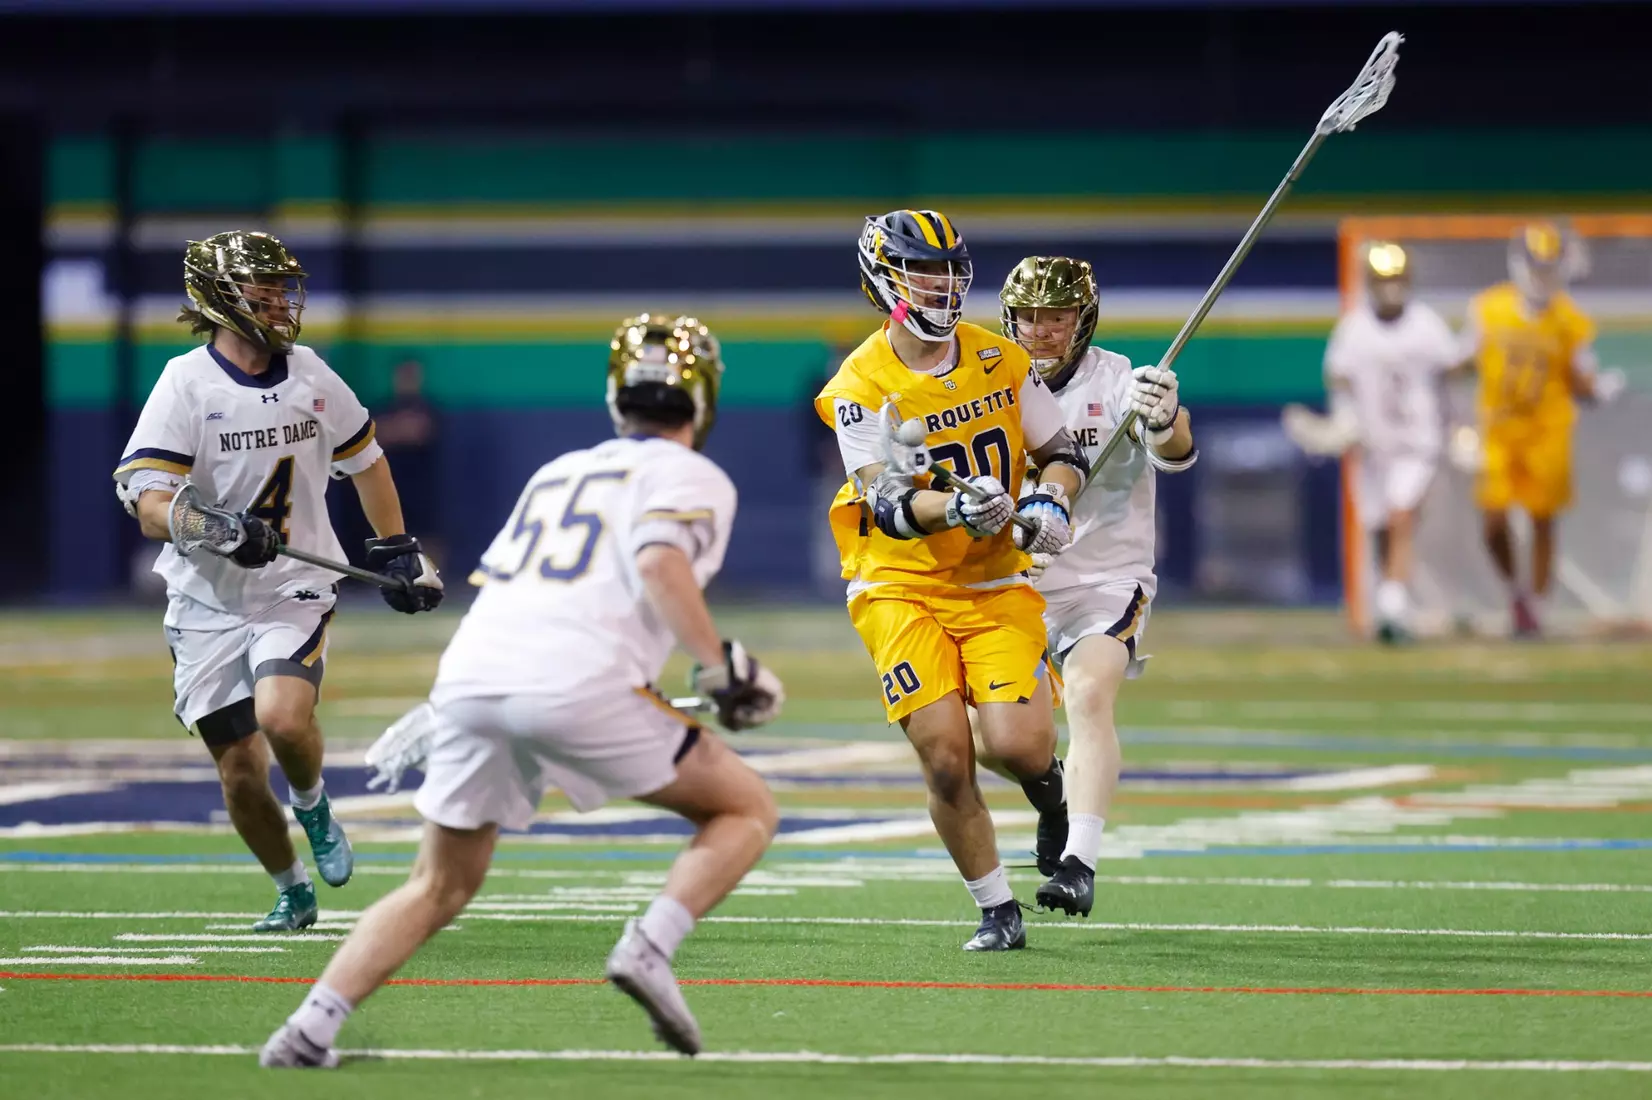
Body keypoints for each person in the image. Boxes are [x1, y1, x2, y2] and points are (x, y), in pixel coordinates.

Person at [260, 315, 785, 1066]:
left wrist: (451, 704)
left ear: (616, 396)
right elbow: (662, 561)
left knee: (437, 884)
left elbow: (513, 591)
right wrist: (720, 665)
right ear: (702, 400)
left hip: (474, 673)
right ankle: (649, 947)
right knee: (745, 807)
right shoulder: (694, 475)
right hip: (577, 683)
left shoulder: (559, 471)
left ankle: (308, 1028)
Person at [111, 230, 444, 932]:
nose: (277, 301)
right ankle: (291, 888)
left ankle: (315, 802)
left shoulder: (312, 376)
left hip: (294, 584)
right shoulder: (186, 383)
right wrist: (219, 528)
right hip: (206, 598)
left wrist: (396, 552)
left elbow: (368, 461)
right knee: (237, 769)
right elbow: (146, 501)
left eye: (280, 286)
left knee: (282, 717)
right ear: (219, 298)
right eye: (259, 288)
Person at [815, 210, 1090, 952]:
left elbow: (1061, 449)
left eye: (949, 269)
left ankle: (1050, 792)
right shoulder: (859, 384)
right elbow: (885, 502)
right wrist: (959, 504)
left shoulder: (1000, 359)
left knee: (1019, 745)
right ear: (884, 279)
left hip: (995, 583)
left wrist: (1048, 498)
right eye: (923, 270)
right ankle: (997, 910)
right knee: (944, 750)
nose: (942, 284)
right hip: (896, 584)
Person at [996, 256, 1196, 916]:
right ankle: (1050, 794)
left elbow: (1174, 451)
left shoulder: (1117, 382)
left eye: (1055, 317)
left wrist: (1164, 417)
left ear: (1082, 320)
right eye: (1028, 316)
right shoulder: (987, 381)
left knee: (1087, 691)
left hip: (1106, 580)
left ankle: (1079, 861)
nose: (1040, 330)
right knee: (981, 739)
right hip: (1014, 584)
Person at [1460, 223, 1624, 637]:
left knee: (1543, 520)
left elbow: (1581, 377)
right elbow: (1461, 359)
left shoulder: (1570, 319)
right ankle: (1518, 595)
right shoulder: (1488, 308)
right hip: (1498, 429)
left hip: (1547, 430)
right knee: (1493, 523)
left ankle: (1536, 607)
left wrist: (1598, 388)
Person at [1315, 241, 1458, 643]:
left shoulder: (1428, 326)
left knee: (1400, 516)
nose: (1390, 288)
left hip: (1418, 443)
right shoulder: (1354, 329)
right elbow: (1339, 380)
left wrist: (1459, 426)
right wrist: (1344, 421)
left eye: (1395, 279)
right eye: (1383, 280)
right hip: (1373, 447)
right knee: (1380, 526)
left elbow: (1449, 377)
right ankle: (1392, 601)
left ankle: (1394, 609)